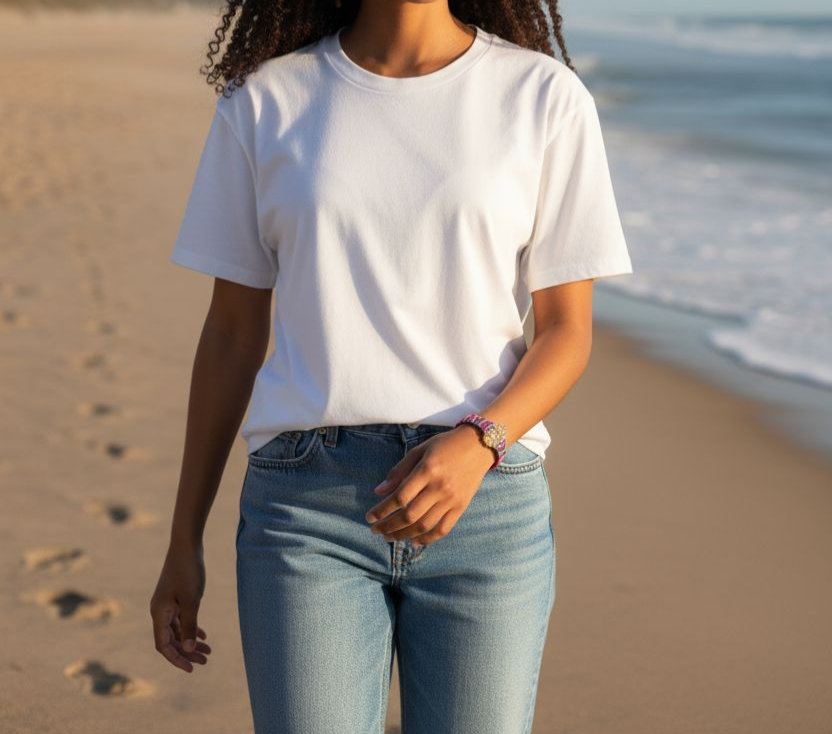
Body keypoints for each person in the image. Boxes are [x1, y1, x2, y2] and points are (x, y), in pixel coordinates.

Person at [150, 2, 633, 732]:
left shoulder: (543, 96)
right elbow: (231, 336)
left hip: (487, 509)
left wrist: (479, 444)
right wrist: (183, 539)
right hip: (305, 514)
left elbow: (567, 333)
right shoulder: (266, 99)